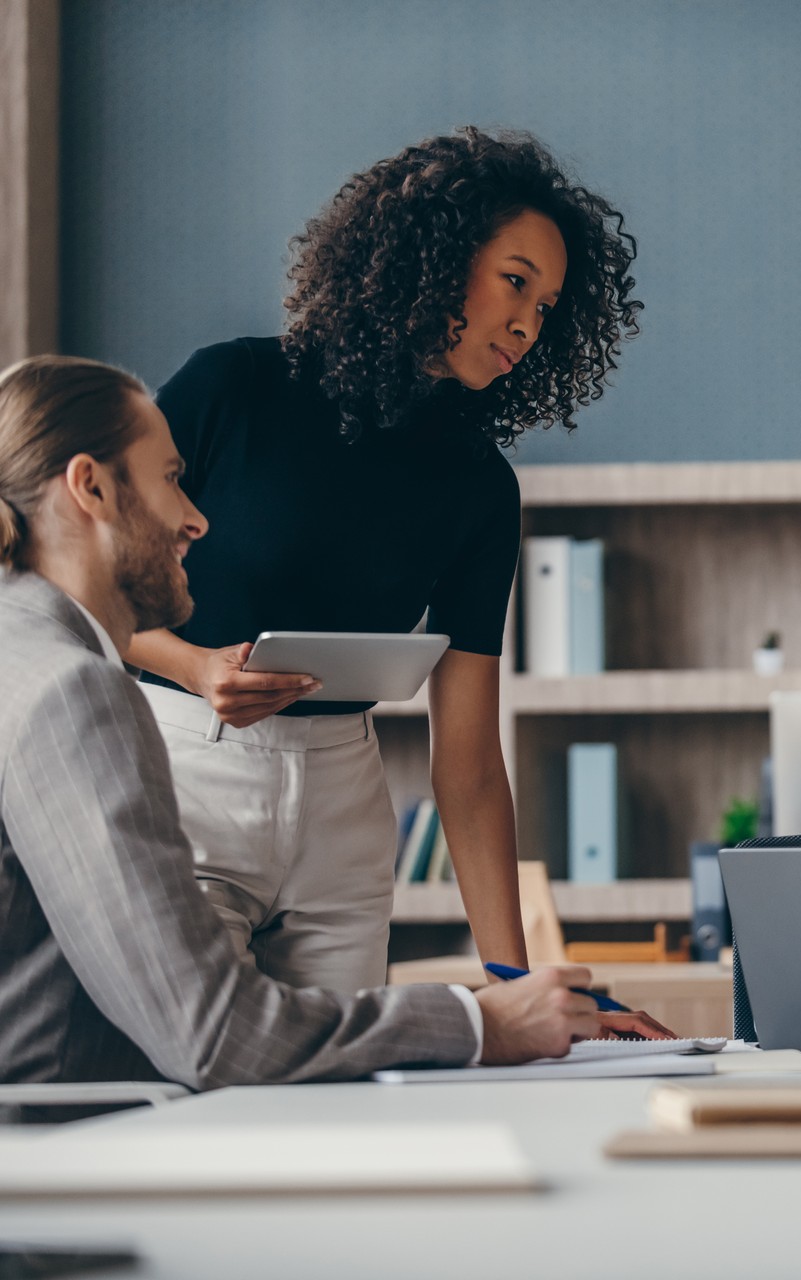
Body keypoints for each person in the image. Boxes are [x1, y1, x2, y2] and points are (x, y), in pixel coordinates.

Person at [0, 356, 663, 1087]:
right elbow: (218, 1034)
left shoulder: (29, 659)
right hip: (53, 1151)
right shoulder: (75, 694)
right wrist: (484, 1022)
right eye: (171, 479)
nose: (196, 518)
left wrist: (511, 989)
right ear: (90, 487)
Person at [122, 128, 642, 990]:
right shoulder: (231, 389)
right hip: (189, 775)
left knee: (340, 1107)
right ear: (434, 257)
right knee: (203, 1073)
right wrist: (193, 666)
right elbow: (72, 581)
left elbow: (469, 762)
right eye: (516, 282)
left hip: (344, 810)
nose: (527, 323)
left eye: (547, 307)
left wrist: (513, 978)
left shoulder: (481, 488)